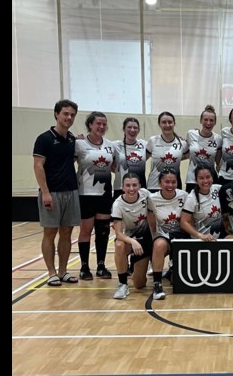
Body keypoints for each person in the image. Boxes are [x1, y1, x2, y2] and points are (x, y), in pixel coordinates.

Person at [32, 99, 82, 286]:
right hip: (51, 193)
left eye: (72, 115)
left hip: (71, 191)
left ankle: (63, 271)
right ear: (56, 114)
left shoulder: (72, 140)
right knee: (50, 232)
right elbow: (38, 166)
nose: (69, 117)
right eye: (65, 114)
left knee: (67, 232)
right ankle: (51, 272)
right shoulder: (44, 139)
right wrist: (45, 192)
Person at [74, 111, 118, 280]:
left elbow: (114, 167)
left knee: (103, 231)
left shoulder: (110, 145)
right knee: (86, 230)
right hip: (86, 193)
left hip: (105, 193)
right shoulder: (79, 144)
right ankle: (84, 267)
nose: (101, 127)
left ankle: (101, 265)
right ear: (90, 125)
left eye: (104, 124)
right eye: (98, 123)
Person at [110, 172, 156, 300]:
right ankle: (122, 284)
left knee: (139, 284)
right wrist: (133, 241)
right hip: (130, 240)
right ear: (123, 187)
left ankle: (145, 267)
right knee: (119, 245)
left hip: (146, 240)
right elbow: (118, 234)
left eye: (134, 185)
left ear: (140, 186)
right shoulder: (118, 204)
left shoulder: (146, 195)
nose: (131, 189)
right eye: (128, 185)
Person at [147, 169, 189, 297]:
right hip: (164, 236)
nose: (170, 185)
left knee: (177, 282)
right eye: (167, 182)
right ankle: (157, 284)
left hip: (181, 237)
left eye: (173, 182)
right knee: (159, 245)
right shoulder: (152, 199)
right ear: (159, 183)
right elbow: (152, 223)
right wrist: (153, 240)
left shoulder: (185, 196)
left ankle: (172, 270)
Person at [179, 164, 224, 241]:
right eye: (201, 178)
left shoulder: (218, 189)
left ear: (212, 178)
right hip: (201, 240)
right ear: (196, 180)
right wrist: (200, 236)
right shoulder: (192, 198)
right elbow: (183, 222)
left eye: (208, 177)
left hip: (219, 238)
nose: (205, 181)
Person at [185, 105, 223, 193]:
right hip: (192, 179)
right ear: (201, 120)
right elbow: (186, 153)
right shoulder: (191, 134)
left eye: (211, 120)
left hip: (210, 179)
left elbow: (218, 163)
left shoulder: (218, 139)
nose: (208, 123)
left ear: (215, 122)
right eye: (206, 119)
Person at [146, 111, 187, 190]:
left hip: (174, 186)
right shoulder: (153, 141)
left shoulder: (182, 143)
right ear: (159, 124)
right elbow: (141, 159)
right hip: (154, 186)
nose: (167, 125)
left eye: (170, 122)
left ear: (174, 123)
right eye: (164, 122)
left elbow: (193, 157)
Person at [112, 117, 149, 202]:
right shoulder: (115, 145)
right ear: (124, 129)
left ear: (139, 130)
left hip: (140, 188)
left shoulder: (145, 144)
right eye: (129, 127)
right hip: (121, 188)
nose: (132, 130)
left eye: (135, 128)